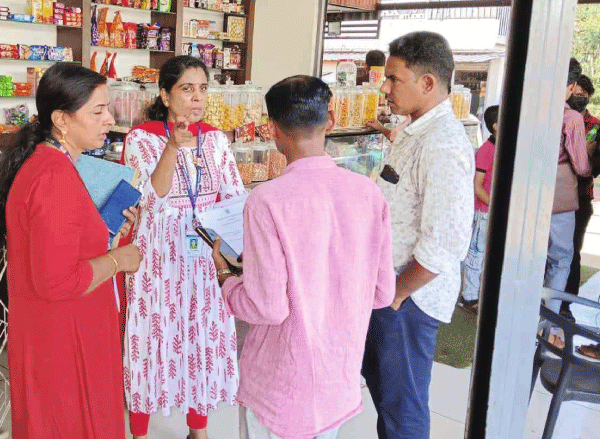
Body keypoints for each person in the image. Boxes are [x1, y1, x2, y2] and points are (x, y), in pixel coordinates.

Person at [212, 75, 396, 439]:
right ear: (331, 120)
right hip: (337, 381)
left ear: (271, 129)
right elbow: (382, 292)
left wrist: (227, 279)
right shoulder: (368, 193)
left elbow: (267, 307)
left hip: (281, 385)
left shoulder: (267, 200)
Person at [0, 63, 142, 439]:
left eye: (107, 109)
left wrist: (107, 232)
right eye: (98, 111)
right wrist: (118, 260)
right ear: (61, 119)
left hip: (62, 331)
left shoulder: (53, 164)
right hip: (63, 341)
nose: (109, 119)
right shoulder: (53, 177)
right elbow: (56, 281)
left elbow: (64, 244)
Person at [121, 56, 246, 439]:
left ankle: (198, 428)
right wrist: (172, 148)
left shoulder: (217, 139)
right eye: (186, 89)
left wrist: (235, 249)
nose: (197, 98)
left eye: (202, 89)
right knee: (151, 339)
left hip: (206, 254)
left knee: (201, 338)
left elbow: (234, 196)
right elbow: (149, 198)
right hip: (157, 257)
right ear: (165, 95)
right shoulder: (141, 138)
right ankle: (139, 431)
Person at [361, 31, 474, 439]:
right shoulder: (416, 131)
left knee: (402, 408)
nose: (385, 88)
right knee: (387, 395)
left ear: (427, 83)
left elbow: (445, 242)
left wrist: (397, 293)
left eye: (394, 79)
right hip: (393, 290)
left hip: (410, 298)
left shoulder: (443, 144)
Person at [543, 58, 591, 314]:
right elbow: (581, 166)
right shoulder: (571, 118)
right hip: (559, 198)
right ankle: (548, 320)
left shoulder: (529, 110)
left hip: (525, 194)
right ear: (572, 86)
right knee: (560, 260)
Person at [562, 74, 599, 320]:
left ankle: (565, 306)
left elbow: (590, 164)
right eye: (576, 94)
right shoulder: (558, 117)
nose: (579, 99)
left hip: (580, 197)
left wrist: (581, 156)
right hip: (556, 195)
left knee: (572, 252)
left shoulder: (594, 125)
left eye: (583, 96)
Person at [460, 105, 499, 315]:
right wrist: (493, 205)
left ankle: (481, 293)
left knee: (487, 256)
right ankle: (470, 297)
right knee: (476, 254)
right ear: (496, 126)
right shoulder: (486, 150)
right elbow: (477, 185)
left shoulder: (502, 148)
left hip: (494, 212)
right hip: (484, 212)